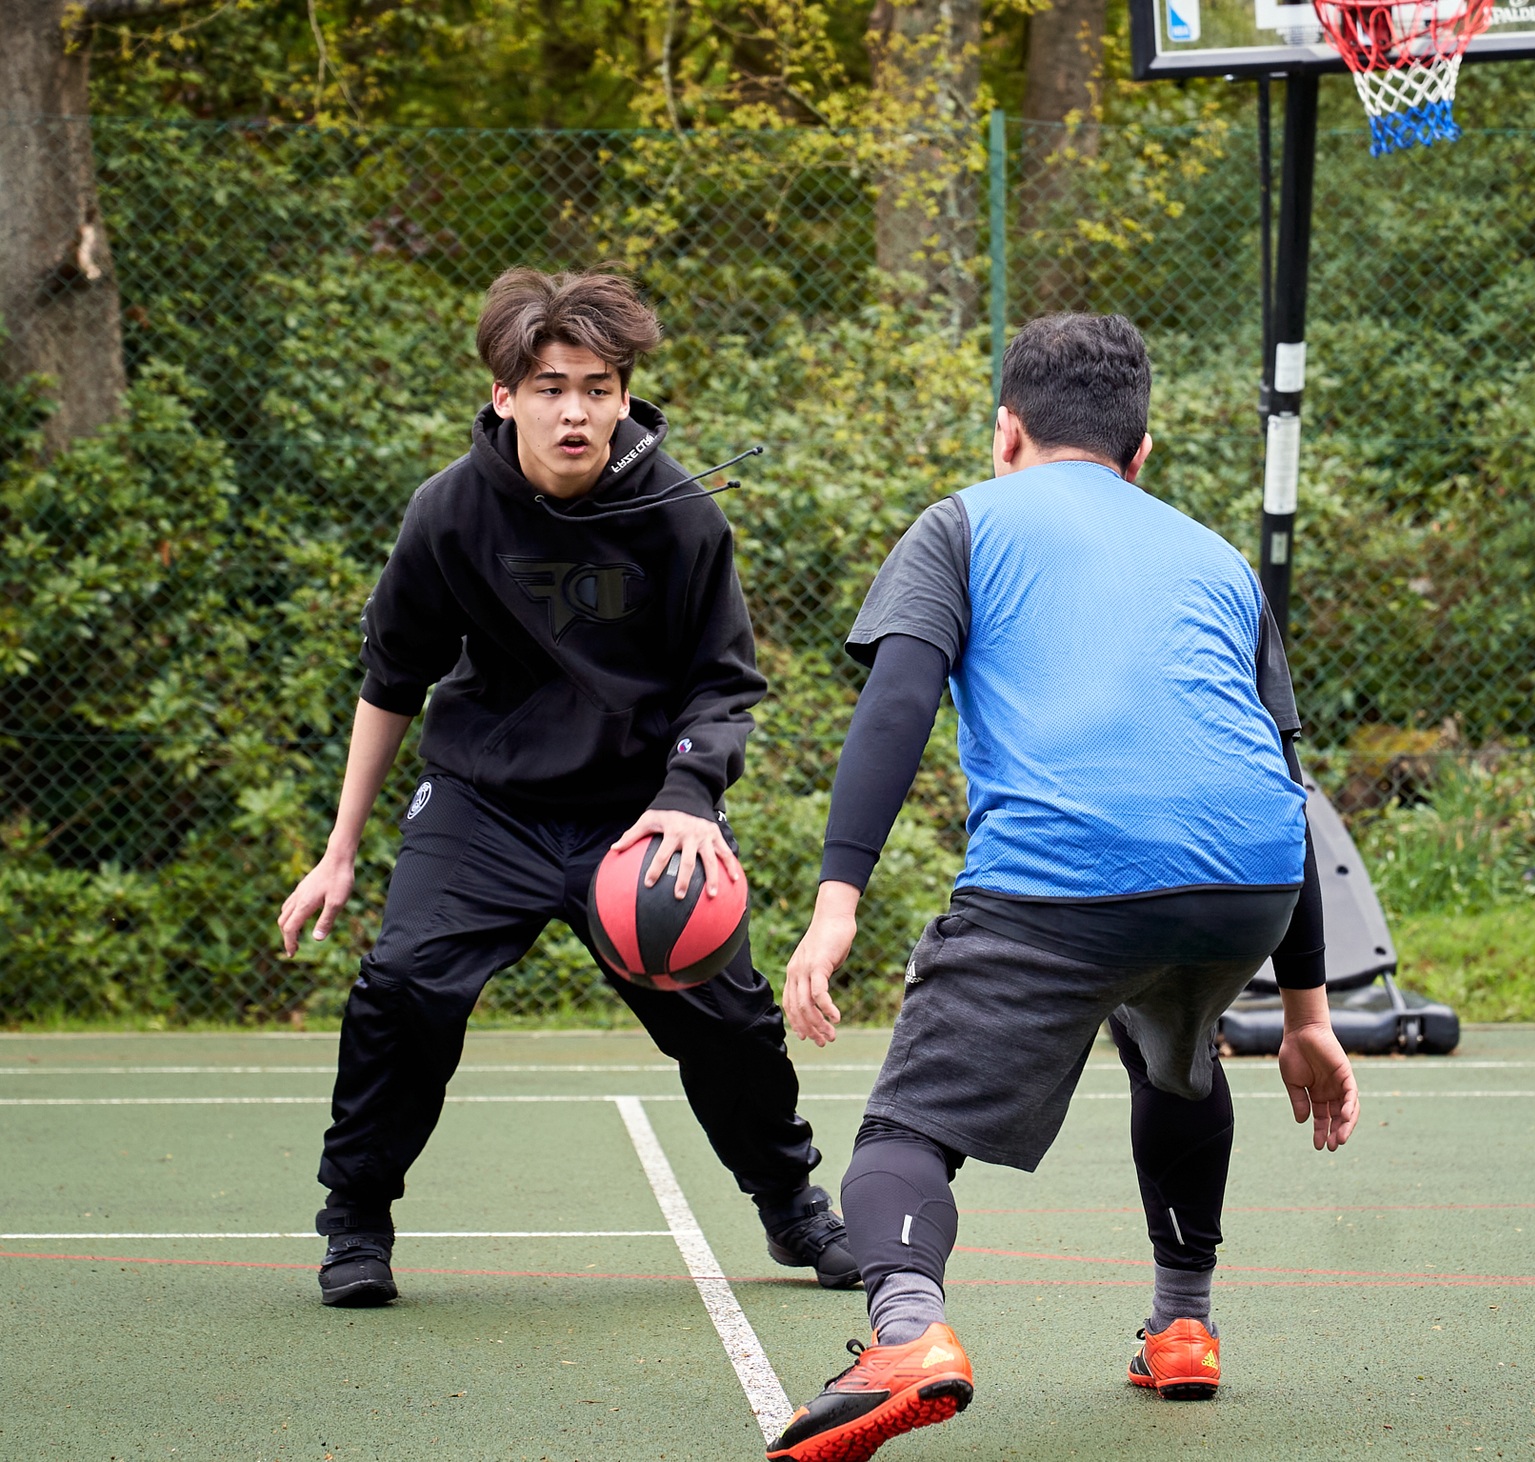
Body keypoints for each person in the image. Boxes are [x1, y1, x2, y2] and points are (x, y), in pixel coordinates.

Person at [769, 313, 1361, 1461]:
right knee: (1177, 1056)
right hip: (1248, 883)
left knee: (906, 1126)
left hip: (1065, 874)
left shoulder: (961, 525)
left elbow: (895, 707)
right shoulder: (1216, 560)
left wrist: (835, 901)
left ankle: (907, 1334)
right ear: (1143, 455)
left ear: (1005, 434)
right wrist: (1307, 1016)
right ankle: (1183, 1325)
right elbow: (1285, 783)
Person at [277, 267, 856, 1307]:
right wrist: (339, 849)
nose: (574, 409)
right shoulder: (450, 512)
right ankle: (355, 1220)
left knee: (726, 1018)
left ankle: (789, 1201)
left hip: (638, 812)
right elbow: (391, 678)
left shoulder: (682, 521)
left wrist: (689, 796)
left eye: (596, 385)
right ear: (504, 395)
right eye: (549, 386)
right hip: (483, 804)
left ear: (624, 395)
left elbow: (722, 687)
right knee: (402, 988)